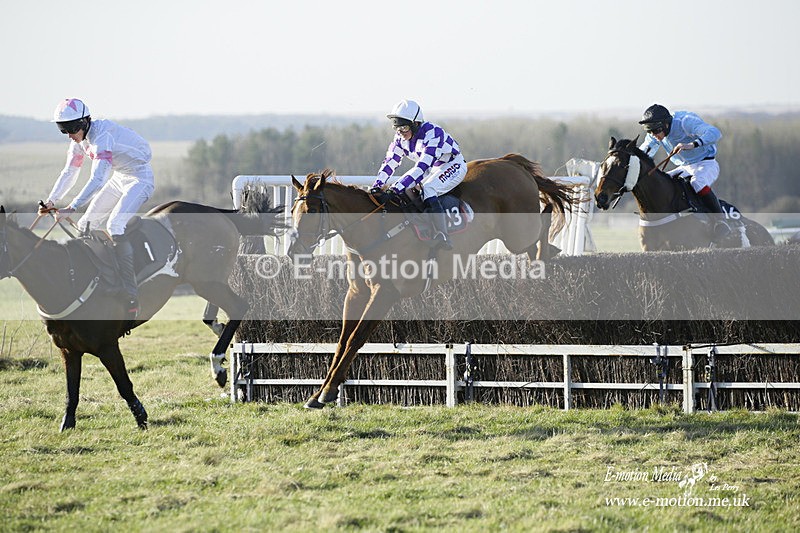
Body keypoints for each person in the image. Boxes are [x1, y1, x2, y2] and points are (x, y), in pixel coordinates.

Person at [42, 98, 155, 319]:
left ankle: (130, 290)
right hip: (120, 177)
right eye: (63, 130)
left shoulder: (103, 137)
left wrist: (73, 206)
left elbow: (98, 179)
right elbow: (69, 172)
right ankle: (100, 278)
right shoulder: (78, 140)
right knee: (85, 224)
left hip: (139, 178)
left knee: (115, 224)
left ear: (85, 122)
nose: (69, 135)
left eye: (71, 128)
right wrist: (51, 201)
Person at [371, 99, 467, 250]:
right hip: (432, 168)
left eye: (404, 127)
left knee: (428, 188)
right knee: (404, 189)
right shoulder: (399, 138)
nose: (400, 132)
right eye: (396, 128)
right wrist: (377, 185)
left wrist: (395, 189)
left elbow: (421, 168)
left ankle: (443, 235)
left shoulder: (433, 134)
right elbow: (390, 162)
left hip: (452, 165)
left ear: (416, 124)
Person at [638, 103, 730, 241]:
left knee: (697, 182)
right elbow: (644, 151)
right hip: (684, 167)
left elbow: (715, 133)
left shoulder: (685, 122)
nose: (653, 135)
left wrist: (691, 145)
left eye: (655, 131)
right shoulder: (654, 133)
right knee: (662, 182)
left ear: (666, 125)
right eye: (650, 132)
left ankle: (721, 221)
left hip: (706, 163)